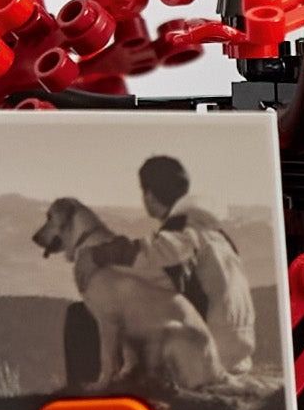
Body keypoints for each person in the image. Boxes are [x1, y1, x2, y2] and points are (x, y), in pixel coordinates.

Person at [96, 154, 257, 373]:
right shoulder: (217, 233)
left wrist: (98, 254)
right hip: (238, 354)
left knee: (93, 315)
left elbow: (148, 260)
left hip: (209, 356)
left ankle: (98, 388)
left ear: (149, 195)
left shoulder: (181, 230)